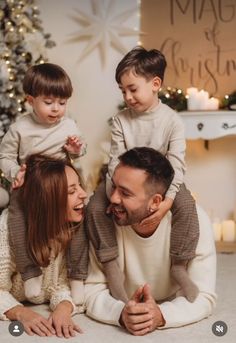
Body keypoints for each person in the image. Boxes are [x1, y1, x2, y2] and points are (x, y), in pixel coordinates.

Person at [86, 46, 199, 303]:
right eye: (122, 90)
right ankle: (111, 266)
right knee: (94, 207)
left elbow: (177, 165)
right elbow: (114, 161)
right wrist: (113, 195)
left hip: (163, 182)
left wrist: (167, 201)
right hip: (123, 182)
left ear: (155, 83)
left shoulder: (172, 121)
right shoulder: (120, 121)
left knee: (187, 205)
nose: (127, 96)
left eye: (132, 89)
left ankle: (179, 265)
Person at [84, 147, 216, 335]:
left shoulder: (196, 221)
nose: (113, 198)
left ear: (155, 202)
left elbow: (202, 296)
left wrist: (160, 314)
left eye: (125, 193)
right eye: (113, 186)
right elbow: (91, 290)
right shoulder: (102, 221)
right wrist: (120, 313)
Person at [0, 63, 88, 302]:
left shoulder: (68, 125)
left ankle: (77, 275)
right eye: (48, 102)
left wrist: (76, 149)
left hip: (59, 185)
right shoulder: (20, 128)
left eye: (62, 102)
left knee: (80, 220)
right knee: (17, 220)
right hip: (28, 184)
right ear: (30, 100)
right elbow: (4, 156)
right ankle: (30, 273)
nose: (56, 109)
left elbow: (81, 148)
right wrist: (15, 172)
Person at [0, 153, 87, 337]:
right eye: (72, 191)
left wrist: (63, 308)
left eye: (79, 185)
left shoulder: (72, 229)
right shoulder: (7, 230)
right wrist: (20, 312)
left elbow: (61, 284)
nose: (83, 194)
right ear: (48, 201)